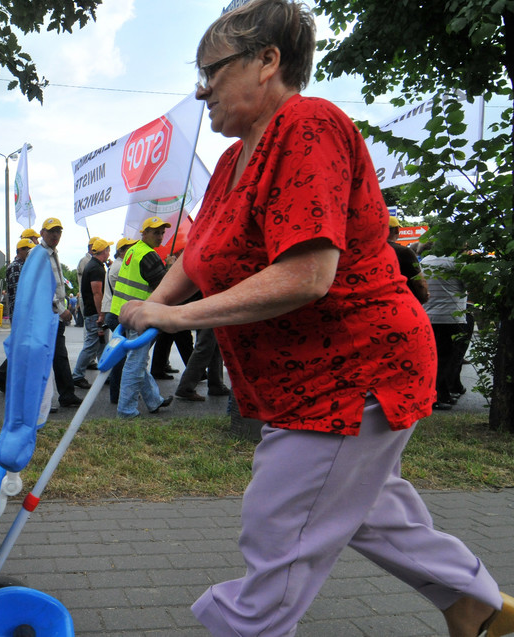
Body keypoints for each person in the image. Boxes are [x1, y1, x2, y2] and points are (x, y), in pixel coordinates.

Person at [117, 1, 514, 634]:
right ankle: (478, 607)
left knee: (281, 529)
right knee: (369, 510)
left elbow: (308, 274)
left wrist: (174, 320)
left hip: (353, 373)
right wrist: (154, 306)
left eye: (210, 71)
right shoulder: (231, 160)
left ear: (267, 61)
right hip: (311, 378)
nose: (200, 90)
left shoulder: (307, 126)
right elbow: (198, 253)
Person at [111, 216, 173, 418]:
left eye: (162, 232)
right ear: (144, 233)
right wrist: (170, 266)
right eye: (156, 232)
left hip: (125, 312)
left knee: (136, 360)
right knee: (136, 363)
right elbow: (164, 288)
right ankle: (126, 410)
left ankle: (154, 400)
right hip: (140, 317)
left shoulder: (133, 250)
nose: (160, 236)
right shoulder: (149, 255)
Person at [37, 217, 81, 408]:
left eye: (58, 231)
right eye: (51, 231)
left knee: (57, 355)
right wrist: (61, 309)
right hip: (47, 315)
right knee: (49, 356)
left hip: (53, 316)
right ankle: (46, 400)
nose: (55, 235)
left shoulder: (52, 253)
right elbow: (43, 288)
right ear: (42, 233)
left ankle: (65, 394)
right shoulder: (39, 255)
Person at [421, 245, 468, 410]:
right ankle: (439, 396)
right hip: (451, 317)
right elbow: (470, 287)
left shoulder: (425, 261)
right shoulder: (457, 263)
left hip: (428, 317)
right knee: (449, 359)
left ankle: (439, 393)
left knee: (434, 358)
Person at [0, 237, 36, 392]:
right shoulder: (16, 267)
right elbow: (19, 292)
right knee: (21, 349)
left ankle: (3, 377)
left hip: (24, 313)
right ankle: (1, 376)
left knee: (22, 348)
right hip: (21, 314)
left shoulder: (24, 265)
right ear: (19, 251)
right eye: (27, 250)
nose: (30, 253)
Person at [71, 238, 111, 389]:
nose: (110, 253)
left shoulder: (95, 266)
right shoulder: (96, 269)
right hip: (94, 313)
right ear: (104, 251)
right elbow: (97, 293)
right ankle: (77, 375)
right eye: (108, 250)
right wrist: (101, 314)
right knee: (91, 345)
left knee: (102, 344)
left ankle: (105, 373)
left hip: (93, 311)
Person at [101, 237, 137, 404]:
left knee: (126, 357)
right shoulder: (121, 266)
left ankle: (118, 394)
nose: (133, 250)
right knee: (124, 358)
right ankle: (118, 395)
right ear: (122, 250)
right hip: (117, 313)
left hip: (113, 312)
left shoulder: (115, 265)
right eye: (130, 248)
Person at [388, 216, 430, 303]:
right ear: (396, 230)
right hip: (402, 303)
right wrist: (423, 297)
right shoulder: (404, 252)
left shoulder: (368, 251)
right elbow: (419, 282)